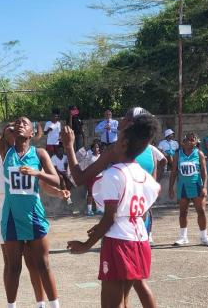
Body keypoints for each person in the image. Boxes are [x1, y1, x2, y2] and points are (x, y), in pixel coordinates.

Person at [0, 64, 61, 308]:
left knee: (42, 264)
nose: (20, 123)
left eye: (25, 122)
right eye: (17, 122)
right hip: (11, 215)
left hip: (34, 213)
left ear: (32, 132)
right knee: (13, 267)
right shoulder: (5, 151)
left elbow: (57, 181)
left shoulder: (40, 153)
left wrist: (38, 173)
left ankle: (52, 305)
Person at [66, 114, 160, 308]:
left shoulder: (112, 175)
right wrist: (104, 226)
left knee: (111, 303)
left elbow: (111, 217)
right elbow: (135, 214)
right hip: (140, 239)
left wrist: (86, 245)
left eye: (120, 135)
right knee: (131, 292)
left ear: (124, 144)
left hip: (118, 242)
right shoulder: (147, 178)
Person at [168, 132, 208, 246]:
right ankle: (183, 237)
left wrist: (204, 187)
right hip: (183, 186)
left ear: (195, 142)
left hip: (196, 185)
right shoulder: (178, 155)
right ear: (183, 142)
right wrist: (171, 188)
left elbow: (204, 172)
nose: (189, 141)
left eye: (192, 139)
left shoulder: (199, 153)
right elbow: (174, 172)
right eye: (187, 140)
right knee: (183, 212)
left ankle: (204, 237)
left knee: (201, 211)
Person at [74, 141, 101, 216]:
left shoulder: (101, 156)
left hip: (100, 177)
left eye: (97, 147)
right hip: (91, 177)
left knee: (98, 194)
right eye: (94, 147)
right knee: (90, 193)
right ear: (92, 149)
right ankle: (89, 210)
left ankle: (99, 209)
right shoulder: (89, 157)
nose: (96, 148)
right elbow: (85, 166)